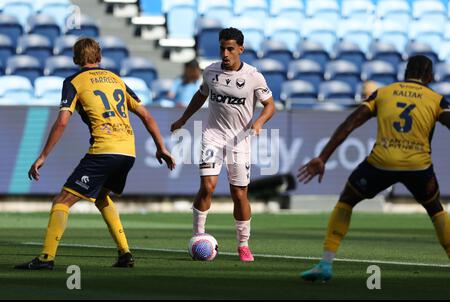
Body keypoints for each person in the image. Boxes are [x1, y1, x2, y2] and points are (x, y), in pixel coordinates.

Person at [15, 38, 175, 270]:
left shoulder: (73, 81)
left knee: (62, 201)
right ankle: (125, 253)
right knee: (101, 196)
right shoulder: (116, 80)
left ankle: (46, 258)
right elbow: (147, 116)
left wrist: (42, 156)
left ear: (75, 59)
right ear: (99, 58)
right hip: (128, 152)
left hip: (104, 150)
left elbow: (62, 122)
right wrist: (161, 147)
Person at [297, 55, 450, 282]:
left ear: (405, 73)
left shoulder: (383, 93)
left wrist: (323, 157)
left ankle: (326, 264)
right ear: (430, 77)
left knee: (347, 201)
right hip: (418, 166)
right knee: (436, 209)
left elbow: (350, 123)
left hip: (381, 163)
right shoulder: (436, 100)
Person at [170, 27, 275, 262]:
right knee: (207, 186)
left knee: (239, 194)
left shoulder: (253, 76)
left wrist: (258, 123)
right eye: (222, 48)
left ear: (240, 49)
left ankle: (243, 244)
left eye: (230, 49)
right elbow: (201, 95)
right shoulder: (210, 72)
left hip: (240, 140)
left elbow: (270, 105)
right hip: (212, 136)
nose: (225, 54)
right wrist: (183, 119)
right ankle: (198, 236)